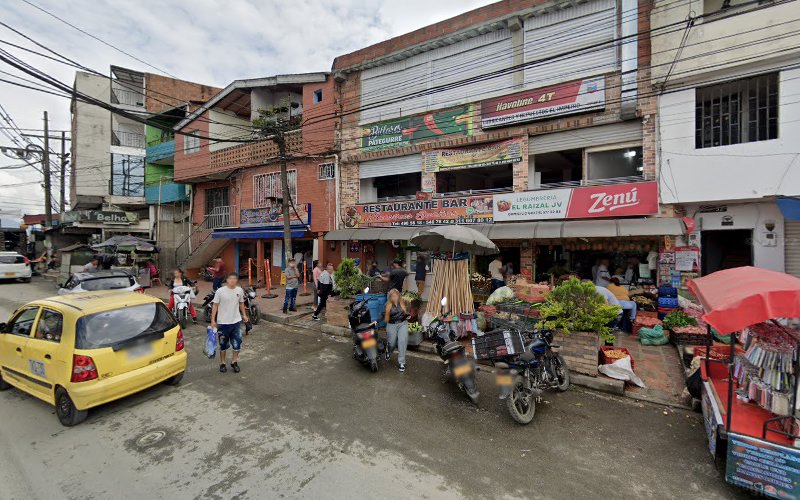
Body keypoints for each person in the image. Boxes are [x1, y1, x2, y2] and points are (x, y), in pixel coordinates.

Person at [211, 272, 249, 373]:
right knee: (223, 344)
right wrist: (213, 320)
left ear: (236, 280)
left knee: (237, 344)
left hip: (236, 322)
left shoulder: (239, 290)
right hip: (223, 323)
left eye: (234, 278)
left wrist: (244, 315)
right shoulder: (220, 291)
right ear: (227, 280)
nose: (232, 280)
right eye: (230, 278)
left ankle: (234, 362)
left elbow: (241, 303)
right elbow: (215, 305)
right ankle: (222, 363)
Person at [384, 288, 409, 372]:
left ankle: (402, 362)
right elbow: (383, 315)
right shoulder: (387, 305)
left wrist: (408, 315)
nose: (395, 297)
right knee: (392, 343)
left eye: (396, 296)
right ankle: (389, 350)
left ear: (399, 296)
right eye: (393, 296)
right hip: (391, 324)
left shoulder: (403, 302)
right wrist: (376, 321)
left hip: (402, 324)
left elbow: (406, 312)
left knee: (402, 341)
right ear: (390, 297)